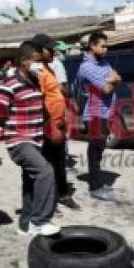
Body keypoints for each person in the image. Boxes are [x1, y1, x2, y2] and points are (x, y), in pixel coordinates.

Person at [0, 41, 60, 236]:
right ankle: (40, 220)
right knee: (45, 172)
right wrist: (12, 129)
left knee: (31, 181)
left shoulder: (35, 81)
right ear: (25, 61)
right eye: (37, 61)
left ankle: (26, 223)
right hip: (19, 141)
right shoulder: (9, 84)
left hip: (36, 139)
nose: (41, 65)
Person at [32, 34, 79, 209]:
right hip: (47, 124)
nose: (53, 51)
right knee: (45, 164)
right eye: (48, 48)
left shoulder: (48, 67)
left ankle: (63, 194)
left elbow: (59, 91)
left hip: (57, 122)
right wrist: (49, 123)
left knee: (58, 162)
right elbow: (38, 99)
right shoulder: (35, 70)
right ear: (38, 49)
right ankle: (47, 201)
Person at [75, 32, 120, 201]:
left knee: (100, 148)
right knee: (95, 149)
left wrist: (113, 80)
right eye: (102, 46)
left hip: (105, 112)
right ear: (92, 46)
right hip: (93, 113)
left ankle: (97, 181)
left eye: (106, 46)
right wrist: (112, 80)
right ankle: (95, 187)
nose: (106, 49)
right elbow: (107, 89)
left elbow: (118, 78)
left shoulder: (104, 63)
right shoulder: (86, 67)